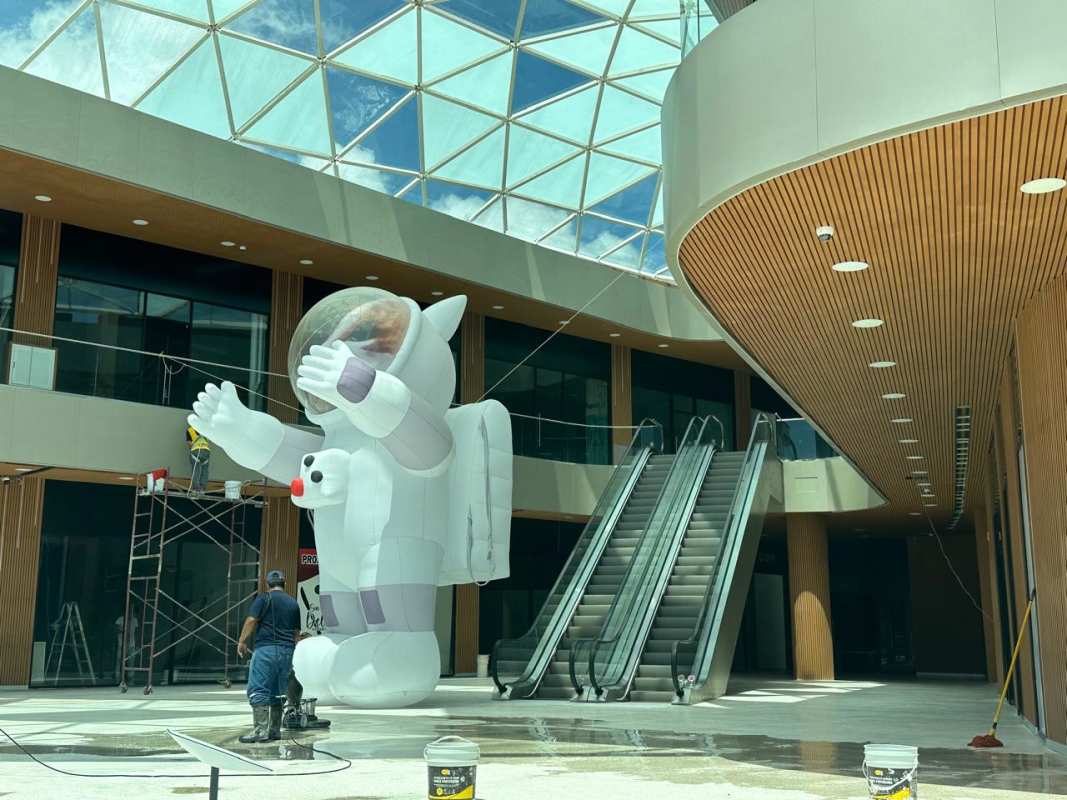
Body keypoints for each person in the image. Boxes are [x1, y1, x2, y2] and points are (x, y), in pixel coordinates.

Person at [237, 570, 300, 744]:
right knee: (278, 692)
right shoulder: (293, 603)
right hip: (287, 651)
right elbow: (296, 633)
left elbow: (251, 621)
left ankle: (260, 731)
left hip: (266, 650)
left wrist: (242, 641)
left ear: (267, 584)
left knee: (258, 689)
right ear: (284, 583)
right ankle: (274, 730)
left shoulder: (263, 599)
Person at [186, 424, 210, 493]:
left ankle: (195, 489)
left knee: (196, 469)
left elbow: (189, 444)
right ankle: (202, 488)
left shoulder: (190, 430)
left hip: (196, 451)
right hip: (206, 451)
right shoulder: (204, 428)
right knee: (205, 470)